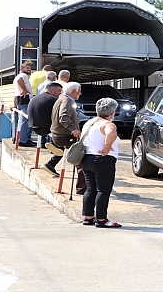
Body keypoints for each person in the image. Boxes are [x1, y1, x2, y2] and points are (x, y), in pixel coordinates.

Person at [81, 98, 122, 228]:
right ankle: (101, 219)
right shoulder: (108, 124)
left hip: (87, 159)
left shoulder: (89, 122)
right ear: (112, 112)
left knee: (90, 189)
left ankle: (88, 217)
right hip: (103, 160)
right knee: (103, 190)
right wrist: (107, 146)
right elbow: (111, 134)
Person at [50, 82, 86, 194]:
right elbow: (63, 116)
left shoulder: (62, 99)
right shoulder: (67, 100)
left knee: (79, 159)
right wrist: (73, 129)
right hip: (64, 136)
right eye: (79, 90)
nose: (80, 93)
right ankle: (82, 189)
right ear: (74, 91)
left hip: (60, 135)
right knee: (82, 160)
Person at [27, 82, 63, 174]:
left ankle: (54, 149)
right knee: (67, 140)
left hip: (33, 127)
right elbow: (59, 115)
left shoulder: (35, 98)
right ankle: (51, 161)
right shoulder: (53, 99)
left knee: (61, 146)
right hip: (46, 127)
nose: (60, 93)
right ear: (52, 90)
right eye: (59, 91)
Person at [12, 63, 34, 147]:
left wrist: (14, 104)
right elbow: (19, 80)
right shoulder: (23, 75)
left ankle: (21, 138)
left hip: (20, 99)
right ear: (21, 69)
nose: (29, 69)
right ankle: (23, 140)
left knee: (23, 119)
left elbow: (15, 93)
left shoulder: (18, 77)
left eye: (30, 68)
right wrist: (24, 89)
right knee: (26, 119)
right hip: (25, 99)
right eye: (27, 68)